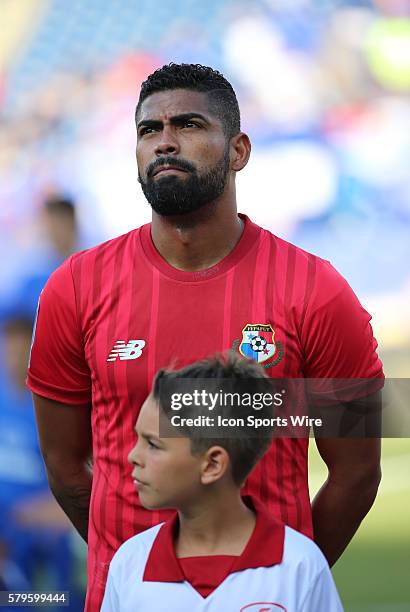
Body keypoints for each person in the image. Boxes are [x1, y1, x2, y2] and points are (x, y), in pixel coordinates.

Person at [27, 63, 383, 611]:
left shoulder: (317, 291)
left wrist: (282, 578)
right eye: (149, 130)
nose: (165, 142)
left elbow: (356, 473)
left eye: (189, 125)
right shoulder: (73, 288)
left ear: (238, 150)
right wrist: (129, 569)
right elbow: (64, 465)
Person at [101, 353, 343, 611]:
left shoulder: (301, 566)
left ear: (213, 465)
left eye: (152, 444)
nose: (132, 456)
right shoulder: (129, 563)